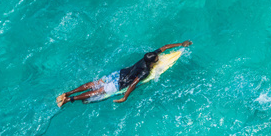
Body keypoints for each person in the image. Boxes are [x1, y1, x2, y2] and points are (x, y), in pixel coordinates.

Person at [56, 40, 191, 107]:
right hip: (120, 82)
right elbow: (133, 84)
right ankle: (69, 99)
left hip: (118, 73)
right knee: (98, 91)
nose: (158, 59)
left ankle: (67, 93)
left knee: (94, 84)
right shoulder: (145, 70)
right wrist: (125, 96)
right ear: (151, 63)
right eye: (156, 60)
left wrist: (181, 44)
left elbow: (164, 47)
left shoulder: (147, 57)